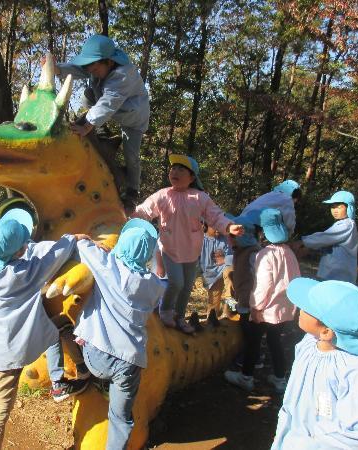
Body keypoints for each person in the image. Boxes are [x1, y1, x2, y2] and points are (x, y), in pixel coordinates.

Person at [0, 209, 90, 450]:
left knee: (3, 401)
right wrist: (72, 238)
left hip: (3, 345)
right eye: (22, 244)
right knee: (61, 327)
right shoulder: (23, 274)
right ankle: (63, 380)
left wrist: (20, 247)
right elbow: (53, 258)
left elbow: (23, 251)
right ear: (18, 251)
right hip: (23, 342)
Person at [73, 218, 166, 450]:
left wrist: (93, 242)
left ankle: (87, 376)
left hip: (96, 357)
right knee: (121, 417)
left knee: (71, 326)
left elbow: (78, 244)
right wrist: (156, 252)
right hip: (129, 361)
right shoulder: (153, 285)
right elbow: (162, 275)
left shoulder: (107, 265)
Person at [131, 154, 244, 334]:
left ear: (192, 177)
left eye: (181, 169)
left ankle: (179, 316)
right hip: (169, 248)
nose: (174, 171)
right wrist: (130, 212)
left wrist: (229, 226)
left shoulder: (199, 197)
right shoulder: (163, 194)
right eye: (173, 168)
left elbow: (214, 215)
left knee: (187, 285)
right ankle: (166, 312)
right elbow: (145, 210)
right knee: (176, 282)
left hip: (192, 251)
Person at [272, 277, 358, 449]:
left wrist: (311, 444)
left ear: (326, 332)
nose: (300, 309)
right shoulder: (308, 344)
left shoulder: (354, 369)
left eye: (308, 308)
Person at [51, 34, 150, 207]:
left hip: (133, 117)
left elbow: (108, 103)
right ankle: (103, 129)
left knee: (131, 155)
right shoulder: (98, 66)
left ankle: (133, 190)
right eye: (90, 68)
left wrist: (88, 125)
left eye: (94, 69)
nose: (91, 72)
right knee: (87, 95)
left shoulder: (123, 75)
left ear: (109, 62)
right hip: (114, 110)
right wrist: (56, 69)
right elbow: (79, 69)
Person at [225, 209, 301, 393]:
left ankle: (246, 377)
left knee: (253, 342)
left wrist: (256, 308)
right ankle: (280, 379)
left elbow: (263, 284)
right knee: (276, 343)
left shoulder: (265, 254)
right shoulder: (289, 252)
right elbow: (296, 278)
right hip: (284, 309)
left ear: (263, 232)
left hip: (264, 310)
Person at [297, 190, 358, 283]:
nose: (335, 210)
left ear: (348, 208)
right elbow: (327, 243)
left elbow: (325, 237)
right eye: (332, 207)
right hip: (331, 272)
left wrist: (303, 242)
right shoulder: (341, 224)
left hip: (339, 274)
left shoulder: (347, 225)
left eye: (339, 207)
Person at [199, 223, 235, 320]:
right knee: (214, 297)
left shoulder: (225, 239)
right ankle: (212, 317)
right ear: (206, 226)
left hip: (224, 268)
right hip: (210, 273)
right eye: (215, 226)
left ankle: (229, 310)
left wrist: (225, 259)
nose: (218, 229)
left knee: (230, 277)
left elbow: (234, 257)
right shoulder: (200, 239)